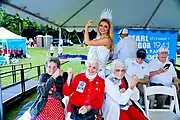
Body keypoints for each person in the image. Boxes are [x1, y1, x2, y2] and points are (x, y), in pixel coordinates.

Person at [84, 8, 114, 79]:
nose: (103, 28)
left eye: (105, 26)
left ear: (109, 29)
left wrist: (86, 27)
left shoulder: (107, 40)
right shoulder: (97, 38)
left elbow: (87, 42)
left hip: (99, 73)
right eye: (101, 25)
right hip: (90, 70)